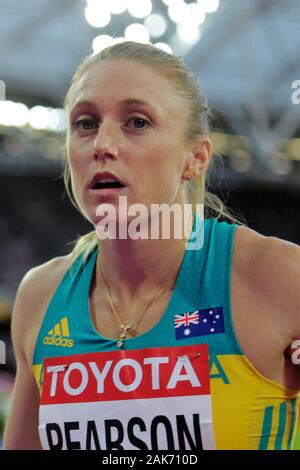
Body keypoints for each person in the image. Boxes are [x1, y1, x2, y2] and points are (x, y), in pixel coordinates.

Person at [3, 41, 300, 451]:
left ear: (195, 157)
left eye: (137, 122)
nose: (102, 145)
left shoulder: (277, 277)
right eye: (85, 123)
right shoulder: (41, 296)